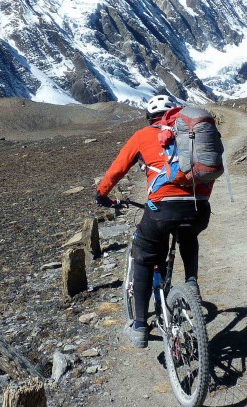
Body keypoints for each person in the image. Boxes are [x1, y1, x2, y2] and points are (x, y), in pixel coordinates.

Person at [94, 94, 213, 348]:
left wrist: (102, 193)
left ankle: (139, 326)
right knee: (188, 234)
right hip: (198, 206)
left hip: (162, 209)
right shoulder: (190, 132)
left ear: (150, 118)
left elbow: (118, 167)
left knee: (144, 255)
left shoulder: (143, 135)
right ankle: (191, 283)